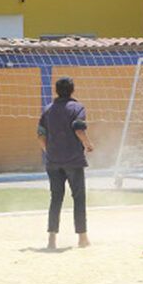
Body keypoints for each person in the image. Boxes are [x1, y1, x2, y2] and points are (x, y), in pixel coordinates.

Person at [38, 76, 94, 249]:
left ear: (56, 91)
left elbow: (40, 135)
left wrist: (49, 152)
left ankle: (52, 239)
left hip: (53, 161)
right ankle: (82, 238)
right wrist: (88, 144)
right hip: (73, 160)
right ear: (73, 90)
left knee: (56, 198)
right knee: (78, 198)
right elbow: (78, 128)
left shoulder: (47, 110)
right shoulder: (77, 107)